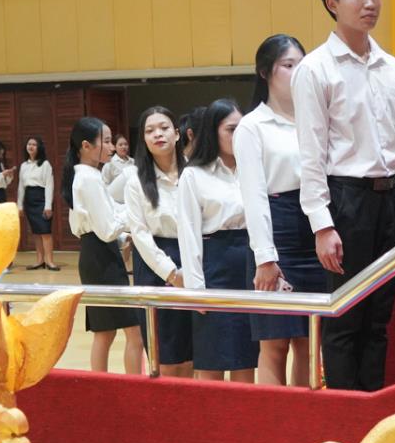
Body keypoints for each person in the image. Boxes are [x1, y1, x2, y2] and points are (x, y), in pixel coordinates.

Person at [293, 0, 395, 392]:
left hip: (390, 201)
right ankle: (345, 417)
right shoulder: (315, 69)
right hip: (346, 201)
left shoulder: (393, 68)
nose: (370, 3)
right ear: (332, 3)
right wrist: (322, 225)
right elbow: (311, 154)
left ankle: (373, 409)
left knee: (380, 318)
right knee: (345, 319)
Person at [237, 34, 320, 387]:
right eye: (288, 65)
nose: (297, 72)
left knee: (309, 340)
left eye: (302, 65)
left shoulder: (314, 118)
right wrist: (265, 257)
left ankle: (305, 414)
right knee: (274, 344)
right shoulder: (252, 126)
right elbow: (253, 196)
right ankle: (273, 417)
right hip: (276, 230)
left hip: (315, 226)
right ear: (265, 72)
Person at [178, 100, 258, 383]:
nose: (238, 135)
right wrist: (195, 288)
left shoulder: (254, 169)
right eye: (231, 129)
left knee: (246, 358)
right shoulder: (193, 175)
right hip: (215, 267)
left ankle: (245, 413)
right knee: (211, 357)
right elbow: (188, 233)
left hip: (250, 266)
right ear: (213, 132)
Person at [66, 117, 144, 375]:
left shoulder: (87, 174)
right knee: (133, 332)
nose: (112, 147)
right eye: (107, 141)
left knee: (105, 332)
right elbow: (107, 228)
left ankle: (101, 387)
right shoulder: (89, 178)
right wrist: (135, 214)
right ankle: (133, 387)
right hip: (101, 257)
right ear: (86, 145)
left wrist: (123, 226)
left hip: (96, 254)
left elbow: (103, 220)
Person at [122, 107, 194, 377]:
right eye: (150, 131)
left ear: (177, 133)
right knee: (165, 355)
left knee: (193, 353)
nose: (158, 134)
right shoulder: (135, 181)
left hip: (192, 260)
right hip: (155, 266)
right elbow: (140, 234)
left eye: (164, 128)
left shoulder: (195, 172)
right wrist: (171, 273)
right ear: (144, 139)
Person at [18, 135, 59, 270]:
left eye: (34, 144)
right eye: (29, 144)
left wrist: (48, 206)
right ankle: (40, 260)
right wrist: (20, 205)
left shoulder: (45, 164)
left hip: (41, 198)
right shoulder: (24, 165)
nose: (30, 146)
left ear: (39, 147)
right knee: (36, 232)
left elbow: (49, 185)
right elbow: (21, 186)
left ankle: (50, 261)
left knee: (45, 231)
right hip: (29, 199)